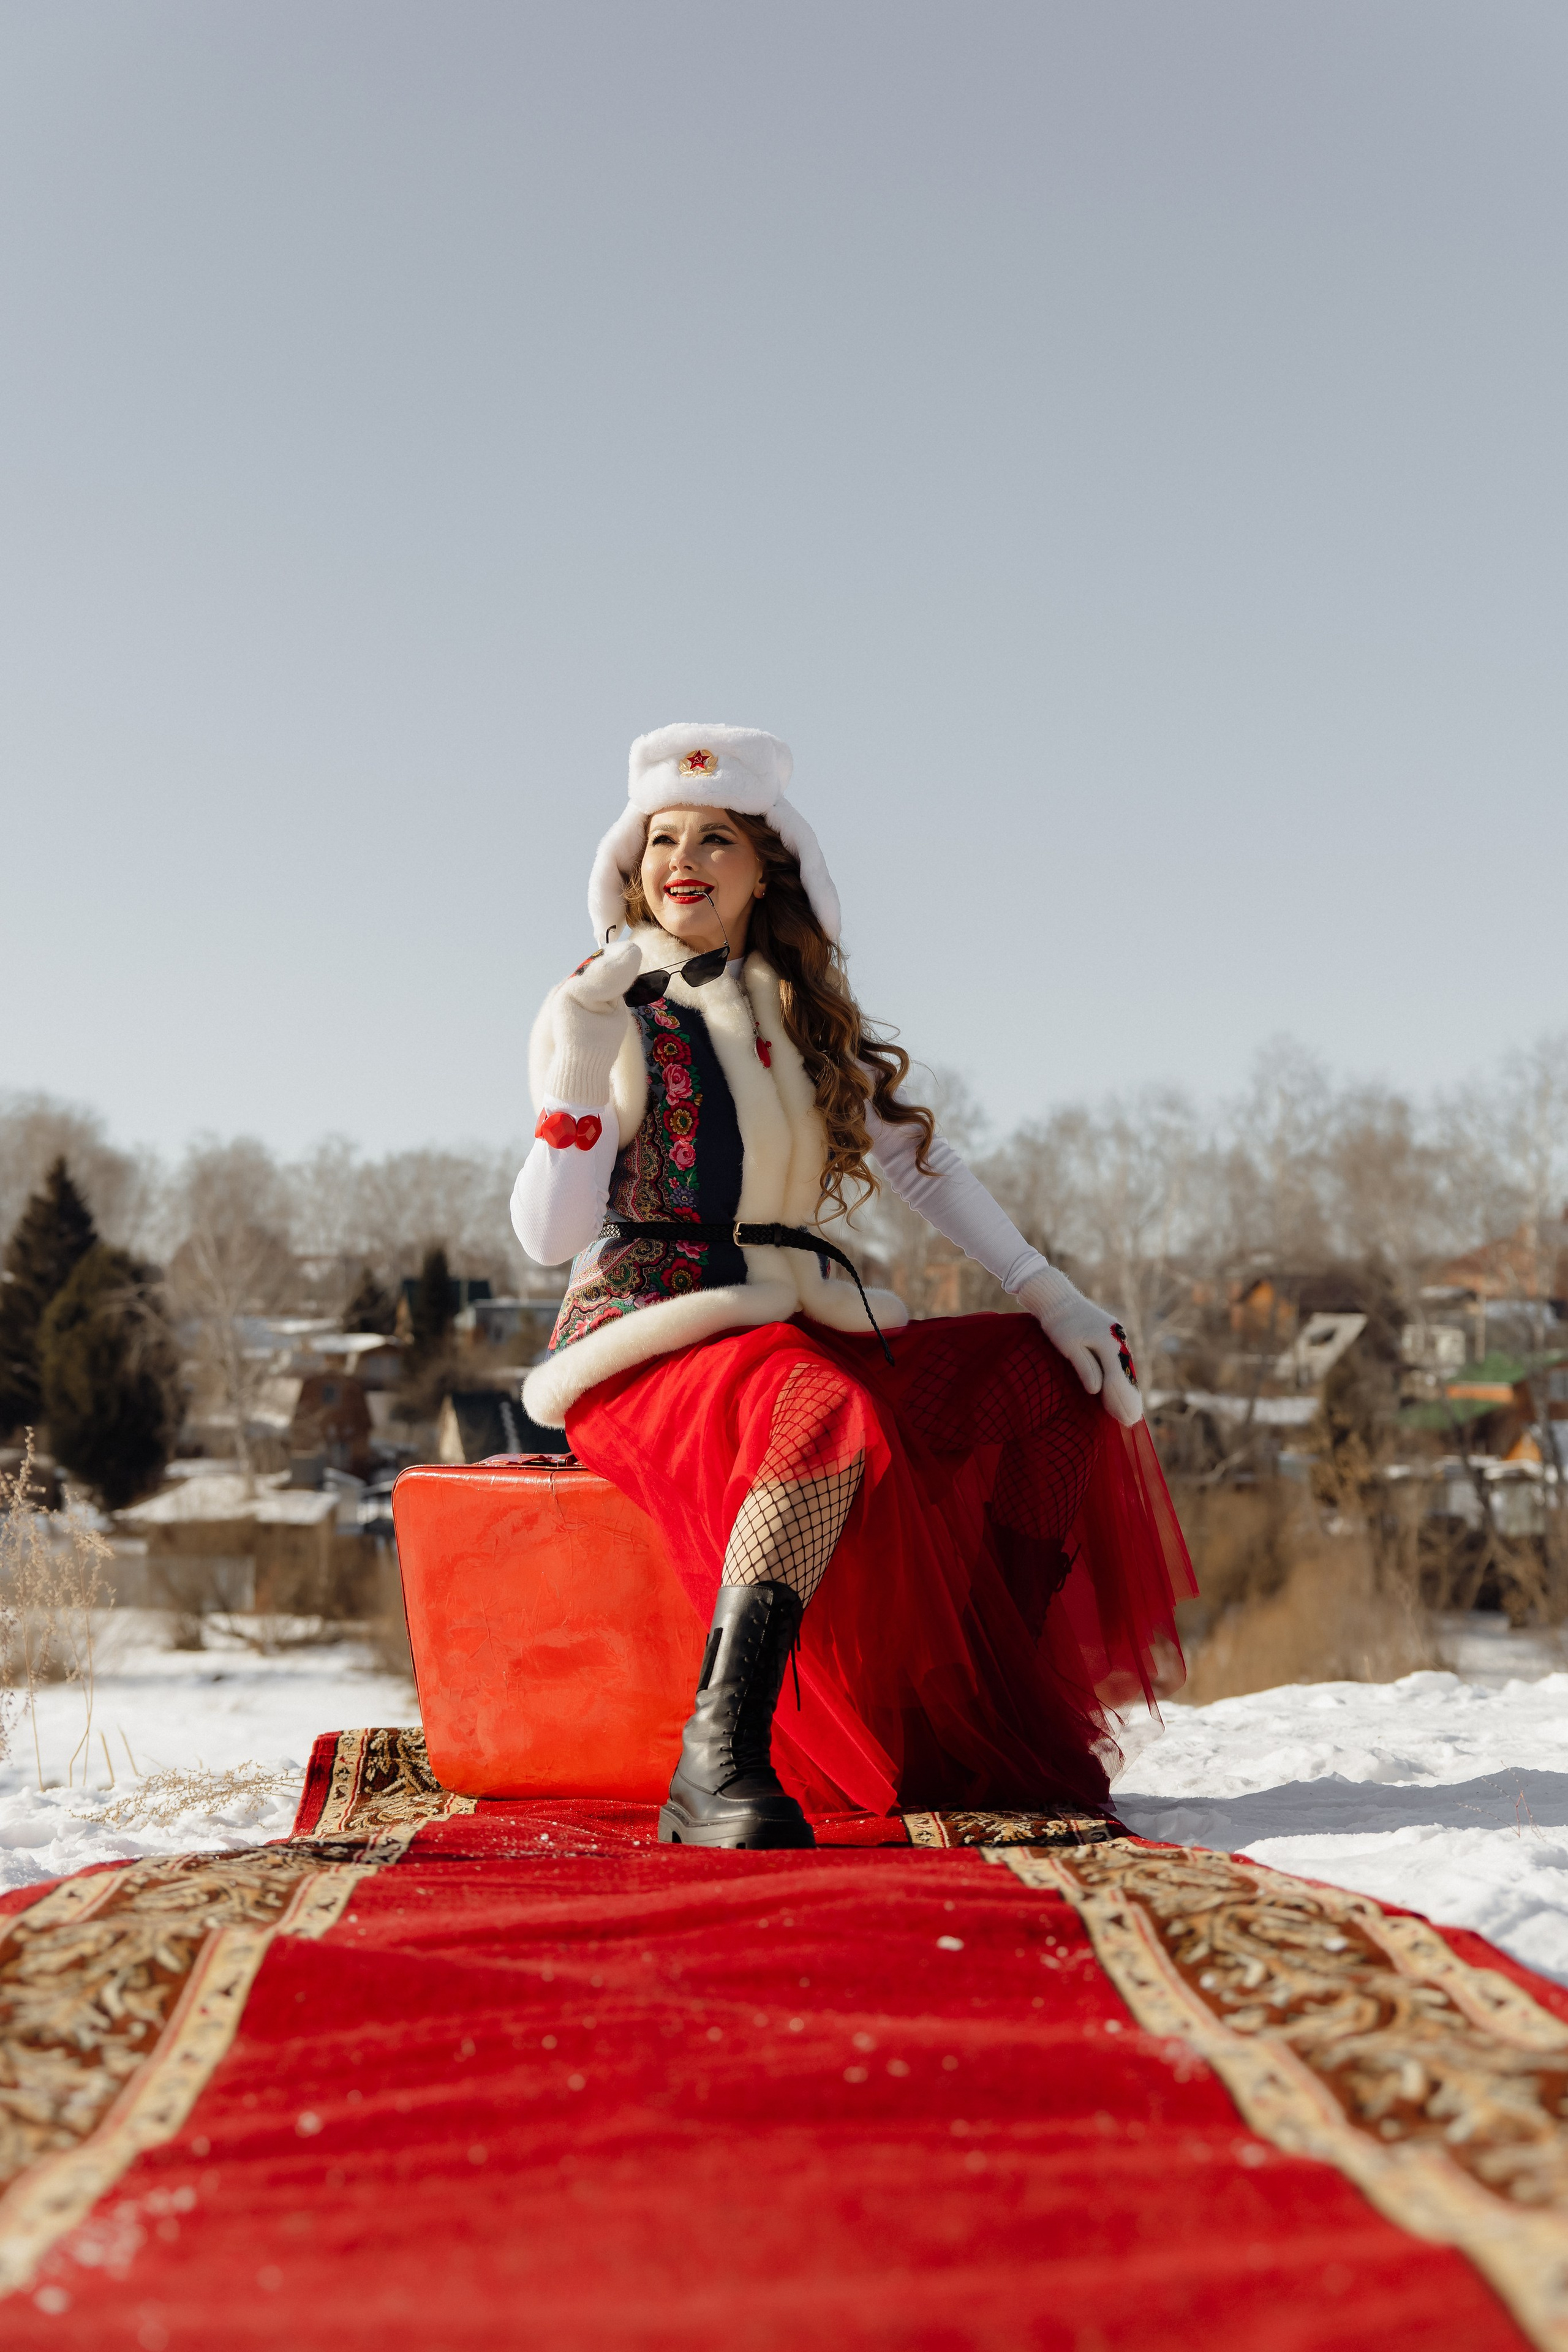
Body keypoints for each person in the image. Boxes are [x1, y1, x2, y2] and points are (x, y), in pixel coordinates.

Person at [512, 723, 1193, 1848]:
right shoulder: (600, 1011)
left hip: (801, 1323)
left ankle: (972, 1697)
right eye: (661, 839)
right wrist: (582, 1057)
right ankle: (716, 1754)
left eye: (717, 837)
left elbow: (923, 1164)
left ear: (765, 866)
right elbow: (548, 1235)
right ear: (630, 870)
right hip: (651, 1343)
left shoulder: (801, 1013)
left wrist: (1050, 1291)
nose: (684, 858)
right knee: (820, 1406)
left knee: (1050, 1377)